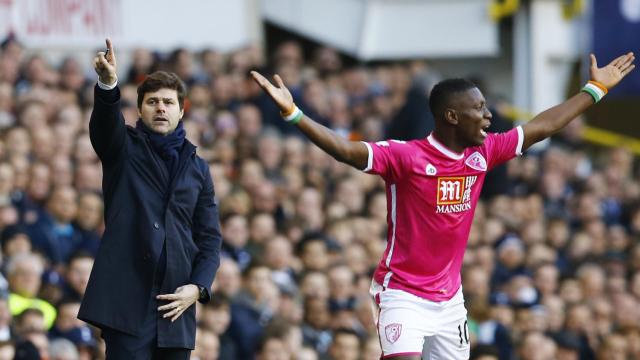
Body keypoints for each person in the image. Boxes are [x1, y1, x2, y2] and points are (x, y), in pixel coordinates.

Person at [251, 51, 635, 359]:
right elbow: (348, 151)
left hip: (450, 299)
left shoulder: (484, 152)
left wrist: (595, 89)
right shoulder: (406, 156)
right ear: (452, 116)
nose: (488, 115)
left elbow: (542, 127)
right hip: (401, 293)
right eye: (479, 108)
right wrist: (295, 114)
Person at [78, 39, 222, 359]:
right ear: (139, 110)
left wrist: (197, 288)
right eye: (153, 101)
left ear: (181, 110)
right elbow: (104, 126)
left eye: (168, 102)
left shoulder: (198, 167)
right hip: (127, 306)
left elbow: (210, 238)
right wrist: (107, 83)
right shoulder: (123, 149)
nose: (160, 108)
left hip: (176, 306)